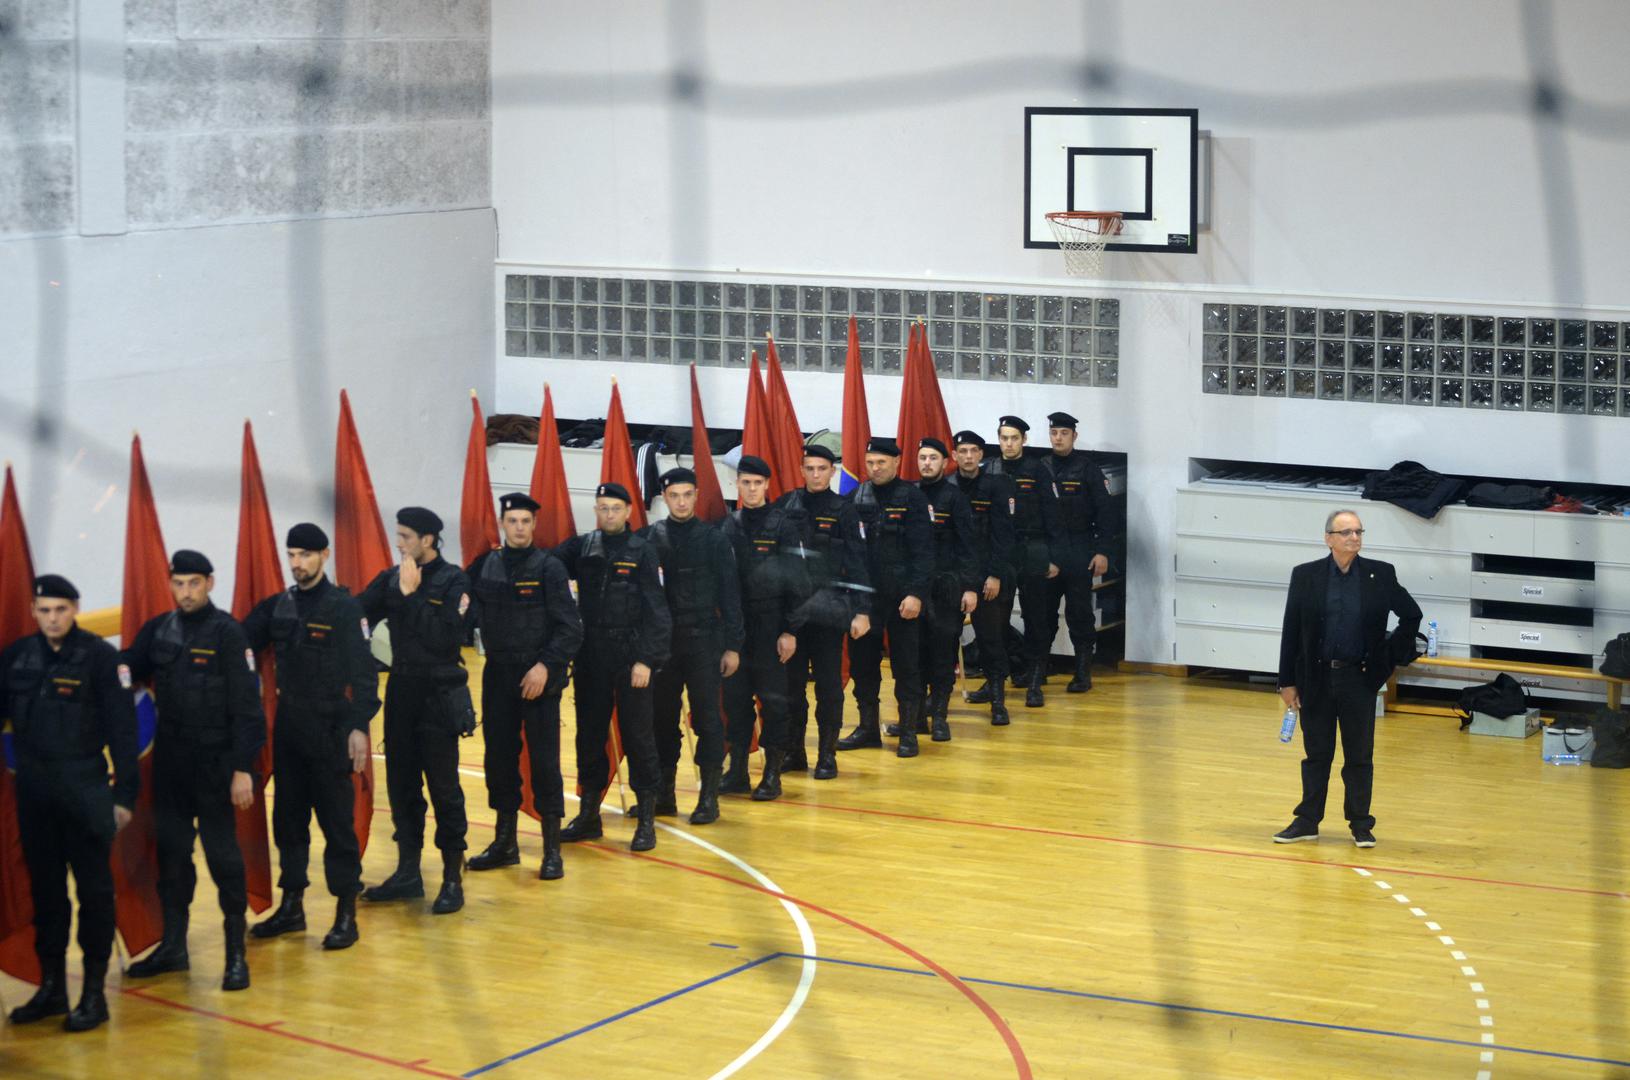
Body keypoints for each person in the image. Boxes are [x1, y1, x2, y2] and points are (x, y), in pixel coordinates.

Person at [123, 550, 265, 991]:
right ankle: (173, 947)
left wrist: (242, 768)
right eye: (179, 584)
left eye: (194, 584)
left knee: (224, 858)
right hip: (171, 764)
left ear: (210, 583)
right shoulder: (158, 630)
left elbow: (248, 708)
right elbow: (128, 668)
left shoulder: (228, 634)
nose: (185, 592)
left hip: (216, 764)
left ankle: (235, 954)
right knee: (171, 858)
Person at [1, 575, 137, 1032]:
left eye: (60, 610)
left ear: (75, 609)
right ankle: (53, 988)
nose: (52, 619)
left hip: (84, 790)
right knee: (46, 896)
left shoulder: (100, 658)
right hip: (35, 793)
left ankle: (94, 994)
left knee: (94, 894)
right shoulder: (17, 657)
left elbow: (123, 731)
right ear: (34, 612)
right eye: (44, 610)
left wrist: (124, 796)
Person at [241, 523, 380, 949]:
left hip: (331, 726)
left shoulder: (343, 608)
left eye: (305, 555)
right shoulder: (279, 606)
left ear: (324, 555)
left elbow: (365, 674)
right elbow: (238, 640)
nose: (297, 563)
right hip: (289, 727)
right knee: (288, 821)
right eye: (292, 555)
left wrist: (358, 726)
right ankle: (292, 906)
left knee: (337, 824)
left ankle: (345, 912)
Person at [1275, 509, 1422, 848]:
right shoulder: (1305, 575)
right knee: (1317, 754)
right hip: (1316, 680)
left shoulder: (1380, 574)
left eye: (1358, 532)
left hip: (1359, 679)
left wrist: (1387, 659)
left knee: (1359, 756)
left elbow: (1411, 615)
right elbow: (1291, 630)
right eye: (1346, 532)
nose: (1354, 538)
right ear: (1328, 538)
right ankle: (1307, 821)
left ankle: (1360, 823)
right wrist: (1287, 681)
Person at [357, 507, 473, 914]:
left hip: (438, 694)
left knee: (444, 789)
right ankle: (408, 873)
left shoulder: (454, 580)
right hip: (402, 692)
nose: (399, 543)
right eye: (398, 535)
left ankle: (452, 877)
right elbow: (357, 612)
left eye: (406, 536)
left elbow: (446, 639)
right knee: (402, 787)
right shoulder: (392, 577)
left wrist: (412, 596)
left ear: (428, 540)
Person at [465, 494, 584, 880]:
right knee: (499, 761)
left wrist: (545, 667)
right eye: (512, 521)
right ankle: (505, 844)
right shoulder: (484, 566)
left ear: (534, 525)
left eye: (525, 521)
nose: (519, 527)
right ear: (503, 524)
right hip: (498, 674)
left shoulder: (549, 568)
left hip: (538, 678)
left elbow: (570, 628)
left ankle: (551, 851)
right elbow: (464, 611)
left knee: (545, 763)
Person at [551, 482, 672, 851]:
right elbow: (545, 566)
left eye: (615, 508)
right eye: (602, 508)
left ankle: (646, 820)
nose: (608, 515)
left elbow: (657, 611)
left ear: (628, 512)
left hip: (630, 655)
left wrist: (646, 660)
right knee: (589, 737)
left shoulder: (643, 550)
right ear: (596, 511)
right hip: (591, 656)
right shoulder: (581, 547)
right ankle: (589, 815)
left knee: (639, 737)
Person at [641, 468, 742, 824]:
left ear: (697, 496)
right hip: (663, 647)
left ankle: (708, 797)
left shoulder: (714, 539)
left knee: (708, 719)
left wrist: (733, 646)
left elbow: (730, 595)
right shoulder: (650, 539)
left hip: (704, 643)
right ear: (664, 498)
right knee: (661, 720)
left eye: (687, 495)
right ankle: (664, 794)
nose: (681, 502)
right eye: (674, 496)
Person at [777, 444, 872, 779]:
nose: (815, 475)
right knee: (791, 689)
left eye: (822, 469)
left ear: (832, 471)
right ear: (801, 470)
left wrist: (862, 611)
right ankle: (794, 752)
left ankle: (827, 756)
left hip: (829, 613)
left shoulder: (845, 510)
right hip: (792, 615)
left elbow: (858, 562)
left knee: (829, 688)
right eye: (810, 468)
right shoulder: (786, 505)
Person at [718, 455, 809, 798]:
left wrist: (790, 630)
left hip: (772, 627)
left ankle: (772, 774)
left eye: (758, 483)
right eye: (746, 483)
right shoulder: (728, 526)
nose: (752, 489)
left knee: (773, 703)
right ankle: (737, 771)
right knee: (735, 702)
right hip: (736, 629)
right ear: (737, 485)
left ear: (767, 485)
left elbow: (799, 583)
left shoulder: (784, 526)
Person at [838, 437, 935, 758]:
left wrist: (916, 594)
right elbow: (847, 553)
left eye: (881, 462)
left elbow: (924, 552)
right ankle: (868, 729)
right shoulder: (854, 498)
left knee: (906, 666)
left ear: (896, 462)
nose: (875, 468)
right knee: (863, 666)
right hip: (865, 601)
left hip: (902, 598)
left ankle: (908, 731)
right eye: (870, 463)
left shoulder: (913, 498)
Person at [984, 416, 1062, 709]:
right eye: (1004, 438)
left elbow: (1053, 515)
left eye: (1014, 438)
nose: (1008, 443)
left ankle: (1034, 681)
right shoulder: (990, 469)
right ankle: (995, 679)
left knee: (1036, 618)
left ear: (1024, 440)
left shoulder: (1037, 469)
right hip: (1001, 551)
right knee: (995, 620)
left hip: (1033, 548)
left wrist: (1054, 557)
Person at [1042, 411, 1117, 694]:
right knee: (1042, 615)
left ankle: (1083, 672)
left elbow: (1106, 514)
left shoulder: (1087, 469)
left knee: (1079, 614)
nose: (1058, 438)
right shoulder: (1041, 468)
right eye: (1054, 433)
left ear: (1074, 436)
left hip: (1079, 550)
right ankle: (1039, 669)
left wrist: (1102, 551)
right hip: (1049, 552)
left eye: (1064, 433)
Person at [911, 438, 979, 743]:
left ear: (944, 462)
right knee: (915, 656)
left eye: (933, 458)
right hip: (915, 588)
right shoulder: (909, 494)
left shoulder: (955, 498)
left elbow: (968, 546)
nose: (927, 463)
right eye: (922, 458)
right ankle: (915, 718)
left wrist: (970, 587)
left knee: (942, 655)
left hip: (947, 587)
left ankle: (939, 716)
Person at [953, 430, 1018, 726]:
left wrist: (994, 574)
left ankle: (998, 702)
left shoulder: (996, 486)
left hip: (987, 576)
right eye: (962, 451)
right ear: (954, 455)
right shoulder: (946, 487)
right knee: (943, 641)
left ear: (981, 455)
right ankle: (935, 702)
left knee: (992, 641)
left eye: (973, 451)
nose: (968, 457)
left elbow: (1004, 535)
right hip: (954, 577)